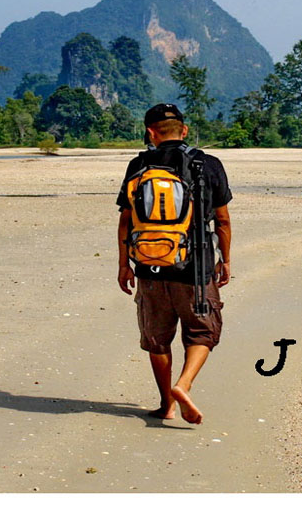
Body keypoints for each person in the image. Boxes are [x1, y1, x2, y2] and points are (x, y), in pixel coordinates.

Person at [116, 103, 232, 424]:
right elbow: (222, 220)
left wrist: (124, 265)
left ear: (150, 133)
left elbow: (126, 220)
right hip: (195, 268)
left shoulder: (138, 166)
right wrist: (225, 260)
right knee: (202, 332)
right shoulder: (208, 164)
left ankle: (166, 404)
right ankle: (184, 384)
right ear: (184, 130)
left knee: (157, 339)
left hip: (149, 266)